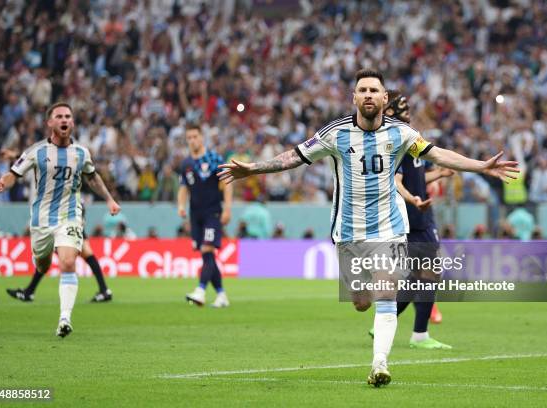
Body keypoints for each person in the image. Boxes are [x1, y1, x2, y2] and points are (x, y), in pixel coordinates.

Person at [218, 69, 519, 387]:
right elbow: (294, 156)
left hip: (389, 228)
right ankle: (374, 316)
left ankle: (380, 364)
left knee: (386, 293)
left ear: (384, 97)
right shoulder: (336, 134)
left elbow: (438, 154)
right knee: (361, 302)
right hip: (348, 232)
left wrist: (481, 165)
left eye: (374, 90)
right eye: (362, 90)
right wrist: (253, 169)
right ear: (354, 98)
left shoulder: (401, 134)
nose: (368, 95)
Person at [0, 102, 120, 338]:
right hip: (41, 220)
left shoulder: (81, 153)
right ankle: (38, 271)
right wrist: (4, 181)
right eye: (59, 116)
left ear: (72, 122)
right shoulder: (37, 151)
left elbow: (93, 178)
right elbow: (14, 173)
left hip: (70, 215)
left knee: (68, 262)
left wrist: (110, 199)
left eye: (68, 116)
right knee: (42, 264)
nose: (64, 120)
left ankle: (65, 318)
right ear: (50, 122)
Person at [368, 90, 453, 349]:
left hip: (420, 215)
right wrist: (413, 200)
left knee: (418, 276)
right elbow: (397, 182)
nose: (407, 108)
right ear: (390, 110)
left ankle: (385, 322)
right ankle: (419, 335)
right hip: (414, 217)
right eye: (401, 105)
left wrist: (438, 174)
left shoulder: (409, 138)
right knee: (429, 273)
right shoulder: (395, 141)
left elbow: (417, 177)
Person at [178, 124, 233, 308]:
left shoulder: (213, 158)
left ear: (202, 137)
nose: (192, 140)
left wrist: (227, 209)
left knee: (207, 250)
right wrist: (180, 206)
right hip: (196, 215)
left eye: (195, 136)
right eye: (189, 137)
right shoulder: (186, 164)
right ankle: (221, 295)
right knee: (207, 256)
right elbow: (183, 187)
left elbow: (227, 183)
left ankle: (200, 291)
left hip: (213, 212)